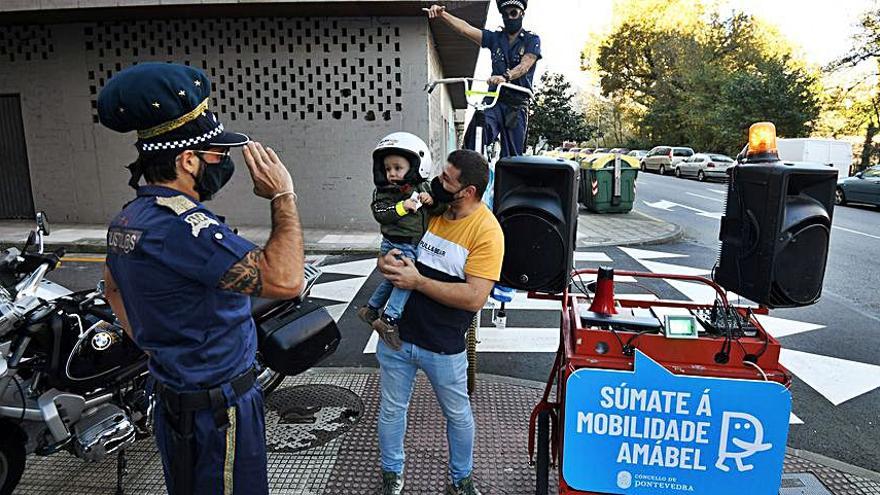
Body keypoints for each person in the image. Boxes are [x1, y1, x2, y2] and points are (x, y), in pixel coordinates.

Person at [97, 62, 304, 495]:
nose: (223, 162)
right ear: (187, 160)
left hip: (173, 398)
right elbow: (286, 281)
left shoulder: (128, 219)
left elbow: (111, 287)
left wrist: (162, 346)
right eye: (217, 155)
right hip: (219, 412)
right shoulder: (186, 226)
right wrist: (283, 196)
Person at [374, 149, 504, 495]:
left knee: (458, 415)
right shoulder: (430, 211)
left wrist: (418, 282)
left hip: (444, 346)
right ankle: (392, 476)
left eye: (447, 179)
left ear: (468, 192)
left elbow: (475, 297)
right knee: (391, 410)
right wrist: (385, 262)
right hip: (395, 337)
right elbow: (392, 249)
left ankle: (461, 480)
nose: (437, 182)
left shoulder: (487, 232)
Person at [357, 132, 447, 349]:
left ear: (416, 166)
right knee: (406, 281)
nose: (392, 174)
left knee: (392, 280)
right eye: (388, 169)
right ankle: (389, 320)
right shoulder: (384, 193)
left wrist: (431, 201)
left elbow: (440, 209)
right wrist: (402, 206)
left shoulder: (422, 187)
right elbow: (381, 213)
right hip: (398, 243)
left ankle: (371, 309)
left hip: (413, 243)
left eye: (398, 168)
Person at [425, 0, 541, 157]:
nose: (509, 17)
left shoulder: (531, 40)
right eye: (505, 14)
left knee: (512, 157)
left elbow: (525, 65)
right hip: (495, 99)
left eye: (513, 13)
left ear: (522, 14)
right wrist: (442, 14)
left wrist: (505, 77)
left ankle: (508, 179)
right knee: (477, 130)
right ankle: (472, 173)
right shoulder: (495, 38)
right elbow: (465, 29)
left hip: (517, 104)